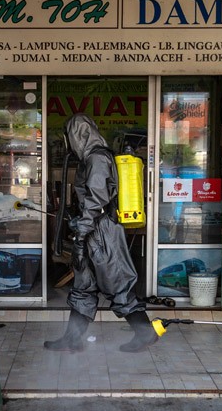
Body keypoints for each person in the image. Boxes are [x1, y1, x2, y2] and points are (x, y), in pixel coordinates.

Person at [44, 113, 158, 353]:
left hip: (102, 232)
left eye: (69, 137)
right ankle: (72, 339)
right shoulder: (90, 159)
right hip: (93, 230)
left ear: (78, 135)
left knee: (119, 283)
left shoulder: (97, 159)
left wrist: (82, 232)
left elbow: (96, 201)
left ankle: (145, 332)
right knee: (83, 285)